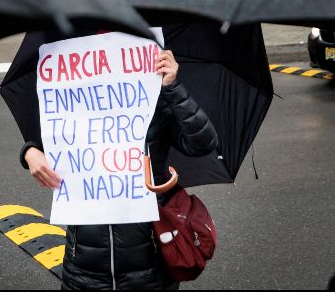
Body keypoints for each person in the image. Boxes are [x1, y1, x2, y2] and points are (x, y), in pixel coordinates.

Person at [20, 50, 218, 290]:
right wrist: (29, 152)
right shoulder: (72, 99)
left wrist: (172, 87)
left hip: (151, 258)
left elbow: (203, 143)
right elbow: (49, 139)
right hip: (84, 263)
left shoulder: (154, 100)